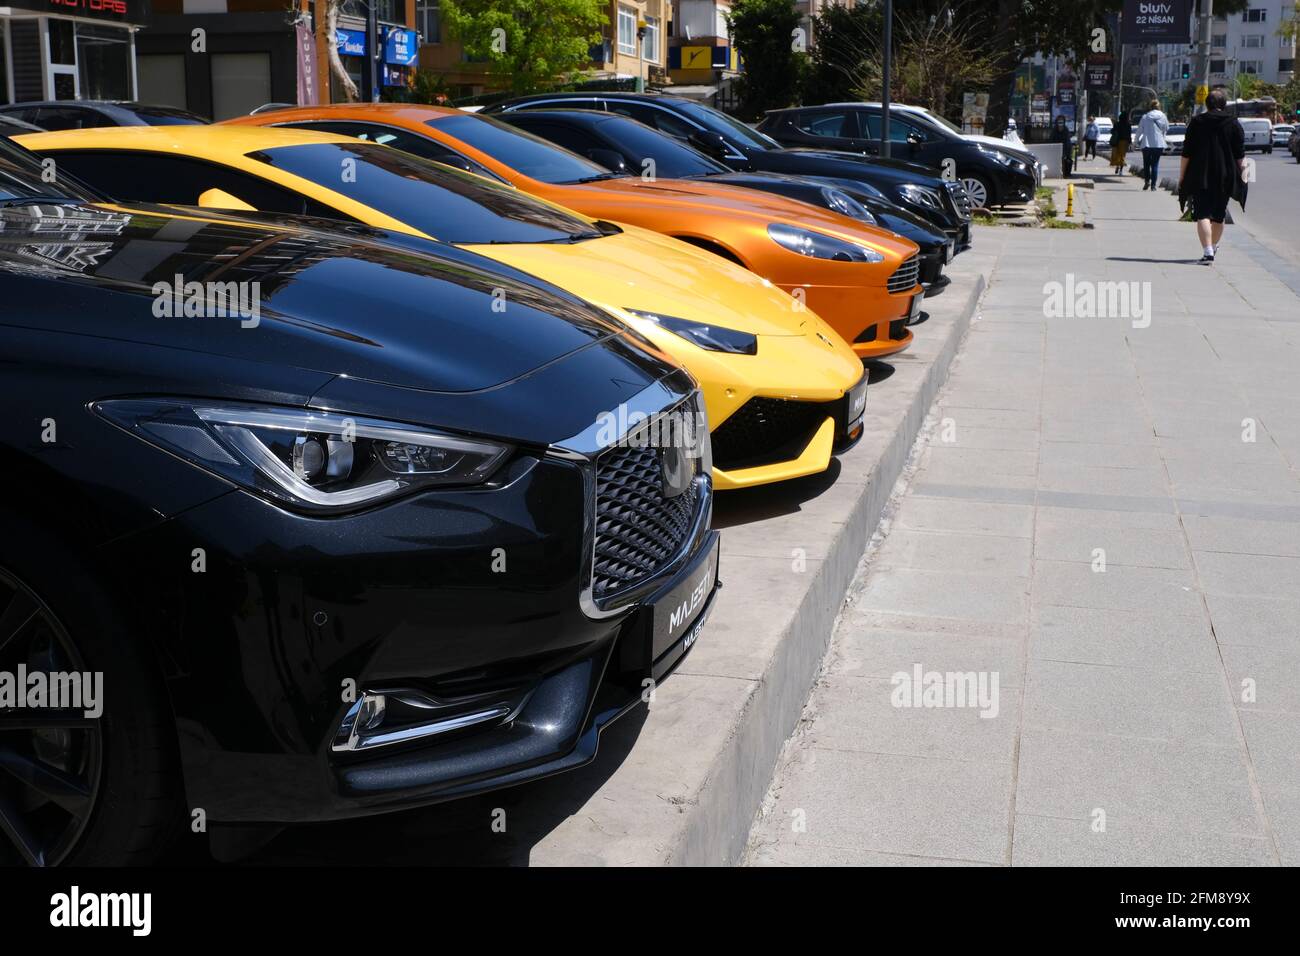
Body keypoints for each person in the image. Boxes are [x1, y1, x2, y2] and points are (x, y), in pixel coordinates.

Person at [1178, 89, 1248, 263]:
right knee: (1219, 214)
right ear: (1224, 104)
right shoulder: (1233, 123)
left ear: (1207, 104)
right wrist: (1245, 177)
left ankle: (1208, 250)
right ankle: (1213, 247)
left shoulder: (1197, 122)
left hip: (1200, 173)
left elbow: (1186, 153)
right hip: (1226, 175)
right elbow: (1240, 155)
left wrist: (1182, 176)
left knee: (1202, 214)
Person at [1137, 99, 1169, 190]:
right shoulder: (1163, 116)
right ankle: (1153, 186)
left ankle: (1147, 181)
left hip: (1146, 144)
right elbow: (1166, 128)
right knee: (1155, 164)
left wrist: (1135, 142)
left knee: (1146, 164)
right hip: (1158, 144)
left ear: (1150, 107)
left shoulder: (1145, 117)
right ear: (1159, 107)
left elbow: (1139, 131)